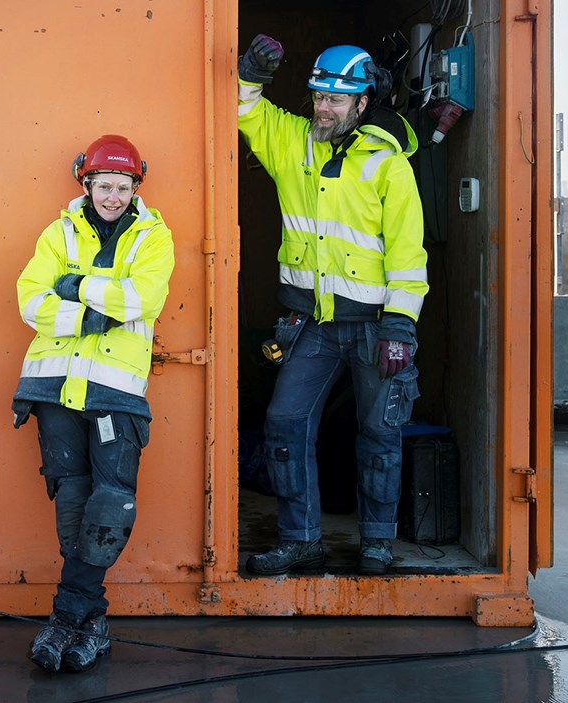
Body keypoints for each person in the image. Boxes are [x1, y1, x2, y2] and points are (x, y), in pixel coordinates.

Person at [236, 35, 428, 576]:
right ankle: (301, 541)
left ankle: (377, 543)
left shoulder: (389, 166)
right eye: (318, 96)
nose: (323, 107)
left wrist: (400, 327)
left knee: (380, 434)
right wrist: (251, 72)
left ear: (363, 103)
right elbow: (240, 107)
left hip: (375, 327)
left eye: (336, 99)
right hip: (311, 325)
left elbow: (409, 257)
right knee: (285, 423)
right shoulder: (292, 141)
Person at [11, 134, 175, 673]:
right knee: (73, 502)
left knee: (110, 503)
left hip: (115, 393)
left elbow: (142, 301)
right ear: (86, 183)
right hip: (54, 388)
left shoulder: (154, 237)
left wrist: (73, 284)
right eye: (104, 185)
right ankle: (93, 622)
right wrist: (98, 308)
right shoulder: (57, 232)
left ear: (135, 187)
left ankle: (66, 616)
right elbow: (32, 302)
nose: (113, 196)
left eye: (123, 186)